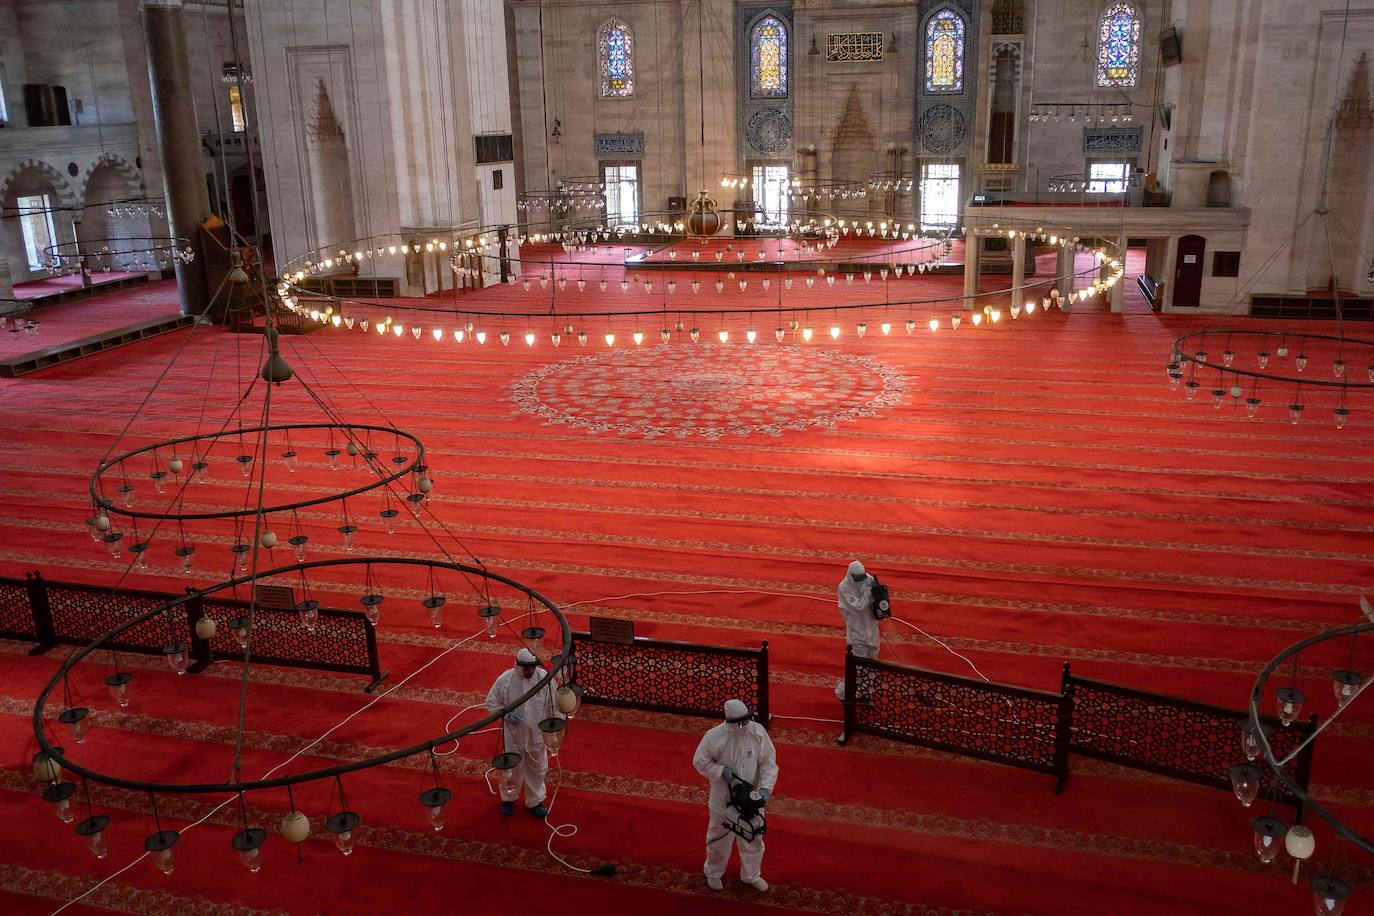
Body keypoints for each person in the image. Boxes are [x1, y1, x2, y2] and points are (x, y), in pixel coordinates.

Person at [692, 699, 779, 893]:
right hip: (723, 798)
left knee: (753, 837)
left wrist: (765, 789)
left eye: (746, 720)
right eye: (740, 721)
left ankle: (751, 875)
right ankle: (713, 872)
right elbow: (699, 761)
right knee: (719, 837)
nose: (744, 725)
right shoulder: (714, 736)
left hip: (752, 797)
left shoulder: (758, 733)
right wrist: (720, 770)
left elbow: (768, 762)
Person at [484, 647, 558, 817]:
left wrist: (553, 730)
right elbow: (491, 703)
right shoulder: (505, 680)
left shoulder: (544, 679)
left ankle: (534, 801)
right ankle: (508, 799)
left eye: (532, 667)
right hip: (513, 734)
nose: (530, 671)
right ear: (519, 666)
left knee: (537, 768)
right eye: (526, 668)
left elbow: (554, 705)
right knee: (512, 770)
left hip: (536, 734)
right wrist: (507, 714)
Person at [835, 559, 879, 701]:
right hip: (857, 632)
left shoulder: (869, 579)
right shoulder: (844, 588)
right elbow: (859, 607)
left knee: (872, 664)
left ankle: (864, 693)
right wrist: (868, 593)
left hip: (871, 628)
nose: (861, 580)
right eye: (858, 578)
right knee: (857, 667)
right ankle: (843, 693)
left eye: (862, 577)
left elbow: (876, 600)